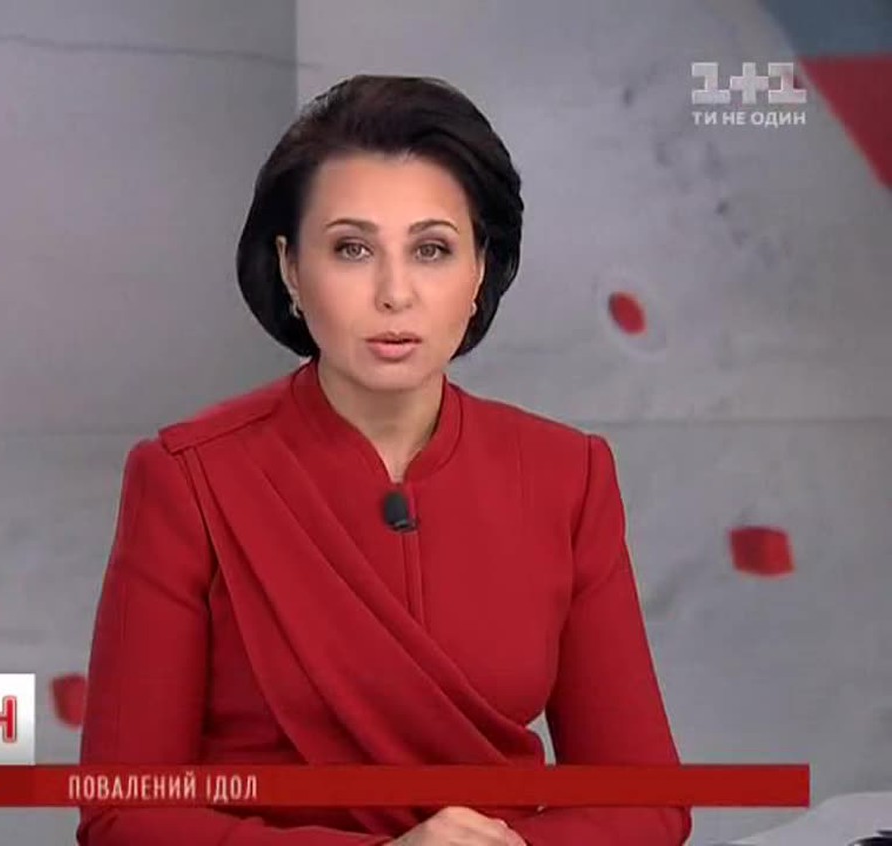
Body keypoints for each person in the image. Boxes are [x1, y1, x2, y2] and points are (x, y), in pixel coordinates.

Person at [76, 74, 692, 845]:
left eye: (432, 250)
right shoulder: (187, 478)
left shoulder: (569, 476)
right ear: (291, 269)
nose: (395, 293)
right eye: (352, 249)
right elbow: (123, 812)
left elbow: (649, 799)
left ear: (480, 271)